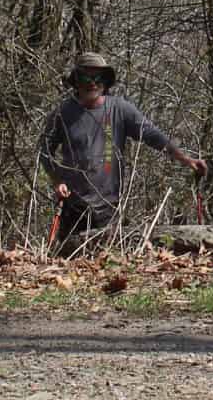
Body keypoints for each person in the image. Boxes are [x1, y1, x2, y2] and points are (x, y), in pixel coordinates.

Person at [38, 51, 203, 256]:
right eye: (86, 77)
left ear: (106, 81)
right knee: (69, 262)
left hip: (109, 208)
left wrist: (185, 159)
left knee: (107, 261)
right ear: (76, 80)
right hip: (72, 207)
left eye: (98, 78)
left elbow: (152, 135)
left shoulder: (120, 109)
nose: (92, 83)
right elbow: (44, 149)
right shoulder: (63, 113)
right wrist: (57, 179)